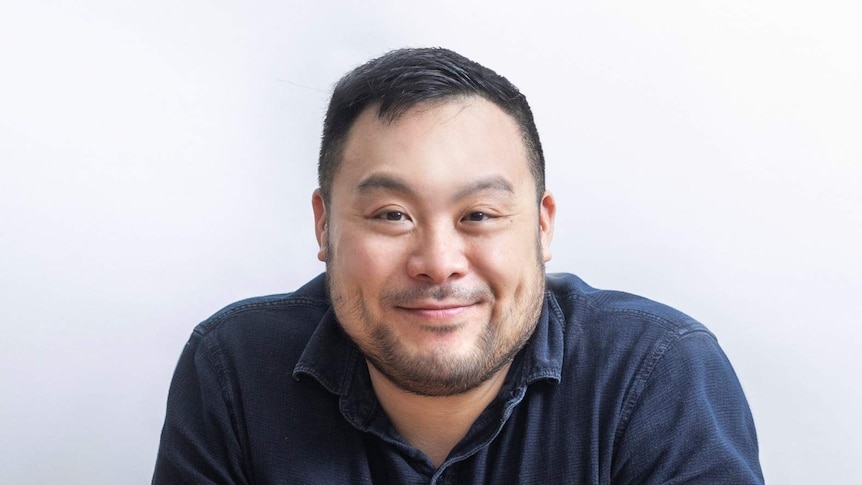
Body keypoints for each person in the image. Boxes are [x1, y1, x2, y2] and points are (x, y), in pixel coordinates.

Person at [153, 47, 763, 484]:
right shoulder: (234, 370)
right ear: (324, 225)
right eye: (392, 215)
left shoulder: (654, 373)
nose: (438, 264)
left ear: (542, 226)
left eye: (479, 215)